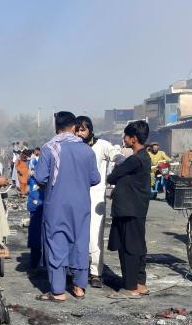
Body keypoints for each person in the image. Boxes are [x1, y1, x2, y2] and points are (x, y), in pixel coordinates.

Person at [34, 111, 100, 302]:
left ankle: (58, 291)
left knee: (56, 241)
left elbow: (40, 177)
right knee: (80, 241)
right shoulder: (87, 150)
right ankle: (79, 287)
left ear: (56, 127)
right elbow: (95, 178)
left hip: (56, 203)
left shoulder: (49, 148)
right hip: (81, 204)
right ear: (74, 127)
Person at [107, 121, 152, 299]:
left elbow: (112, 176)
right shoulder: (144, 157)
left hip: (129, 210)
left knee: (129, 248)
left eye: (126, 136)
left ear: (133, 139)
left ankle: (130, 287)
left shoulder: (134, 159)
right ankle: (140, 283)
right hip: (137, 209)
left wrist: (117, 168)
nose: (124, 139)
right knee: (139, 246)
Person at [76, 116, 121, 288]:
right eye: (77, 130)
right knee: (76, 234)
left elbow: (115, 155)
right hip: (76, 195)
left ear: (90, 130)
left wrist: (123, 164)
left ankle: (95, 272)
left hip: (96, 196)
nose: (80, 133)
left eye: (83, 129)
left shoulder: (101, 145)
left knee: (95, 236)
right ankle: (75, 269)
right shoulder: (72, 147)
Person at [27, 152, 44, 274]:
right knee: (36, 241)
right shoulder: (34, 184)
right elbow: (31, 204)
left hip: (47, 214)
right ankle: (34, 265)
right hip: (37, 215)